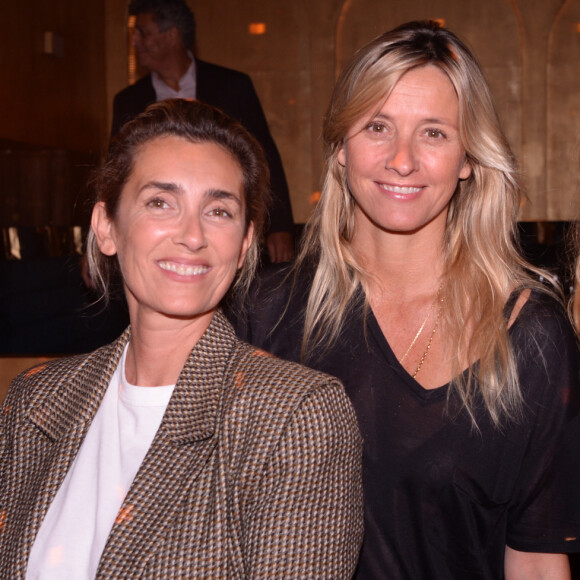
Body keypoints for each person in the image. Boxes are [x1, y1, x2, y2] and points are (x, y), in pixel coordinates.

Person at [231, 21, 580, 579]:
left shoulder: (529, 335)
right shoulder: (262, 313)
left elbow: (535, 558)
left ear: (469, 157)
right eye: (377, 127)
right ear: (341, 147)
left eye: (434, 133)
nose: (401, 160)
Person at [0, 100, 363, 578]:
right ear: (106, 226)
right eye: (160, 202)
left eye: (218, 210)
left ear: (245, 244)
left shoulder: (295, 417)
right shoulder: (36, 400)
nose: (192, 235)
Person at [112, 0, 295, 263]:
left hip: (223, 227)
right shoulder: (128, 100)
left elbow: (264, 156)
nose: (135, 42)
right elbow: (116, 174)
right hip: (160, 231)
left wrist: (279, 226)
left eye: (143, 32)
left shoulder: (233, 86)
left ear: (172, 35)